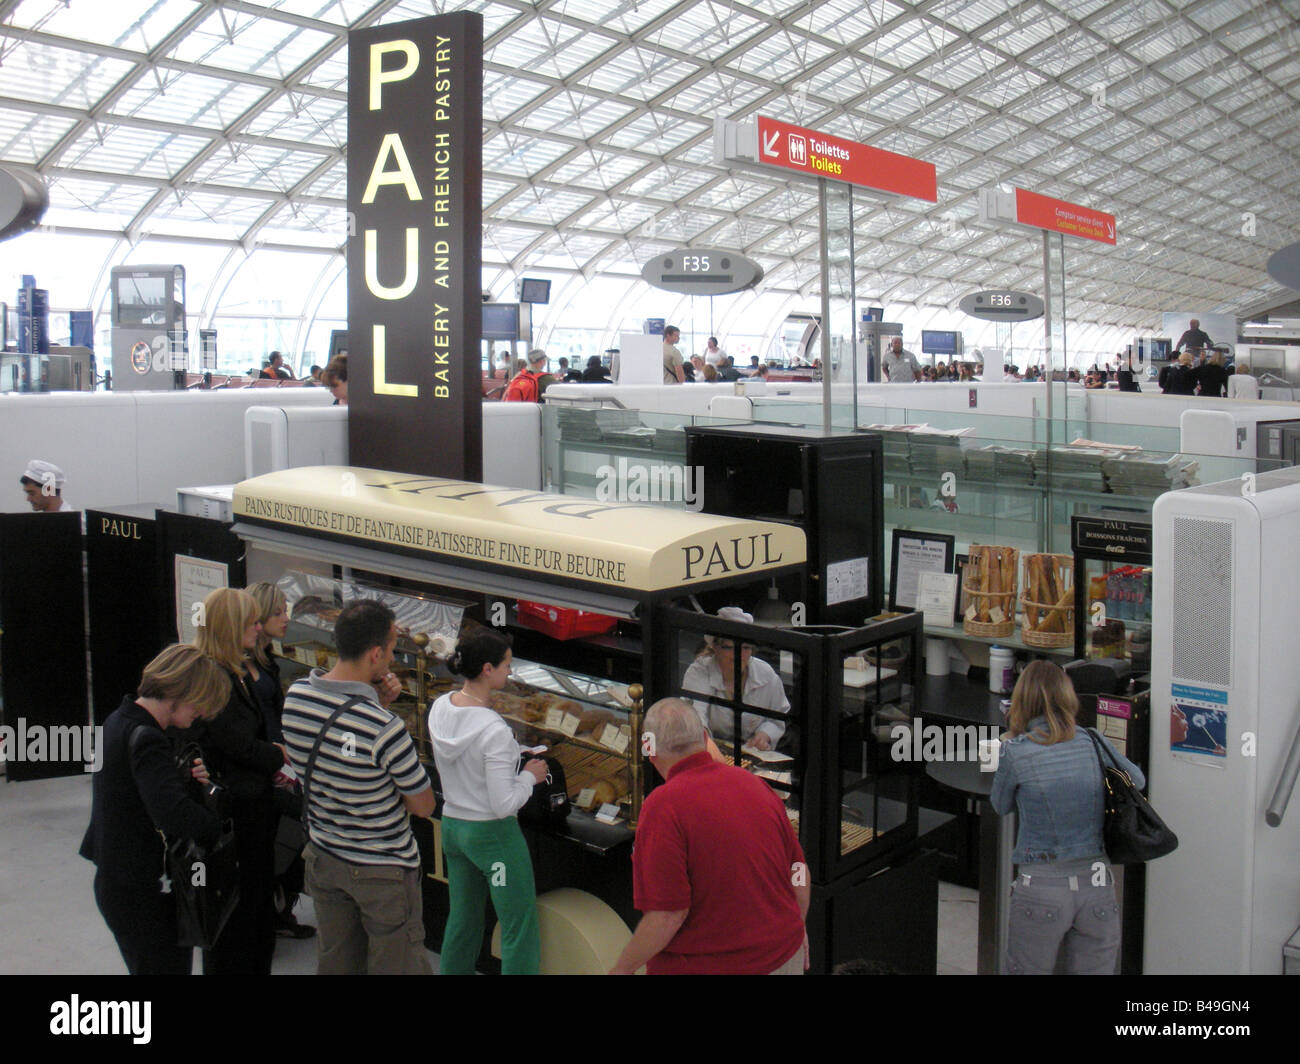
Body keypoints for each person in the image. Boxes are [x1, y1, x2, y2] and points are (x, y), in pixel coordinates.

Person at [281, 600, 435, 975]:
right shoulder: (384, 728)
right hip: (382, 871)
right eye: (391, 647)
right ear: (375, 653)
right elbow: (423, 806)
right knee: (395, 964)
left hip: (325, 856)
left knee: (337, 961)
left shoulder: (296, 697)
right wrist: (379, 711)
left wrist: (374, 701)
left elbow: (337, 741)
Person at [609, 697, 808, 975]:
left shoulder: (662, 807)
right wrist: (798, 928)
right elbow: (798, 869)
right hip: (784, 956)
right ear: (704, 738)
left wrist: (621, 969)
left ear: (649, 749)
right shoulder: (755, 785)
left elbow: (668, 915)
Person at [80, 644, 231, 975]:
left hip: (117, 880)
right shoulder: (147, 738)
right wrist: (216, 824)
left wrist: (181, 780)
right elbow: (172, 814)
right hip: (141, 889)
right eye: (200, 702)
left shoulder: (118, 720)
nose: (201, 714)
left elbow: (137, 795)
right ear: (180, 691)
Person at [990, 661, 1144, 975]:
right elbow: (1137, 781)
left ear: (1021, 702)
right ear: (1068, 699)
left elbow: (1000, 805)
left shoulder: (1016, 752)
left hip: (1041, 887)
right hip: (1097, 886)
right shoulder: (1091, 741)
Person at [428, 629, 545, 975]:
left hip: (453, 828)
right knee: (517, 926)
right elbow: (504, 803)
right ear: (487, 669)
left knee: (463, 921)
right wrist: (529, 776)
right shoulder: (493, 729)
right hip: (493, 838)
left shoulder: (439, 707)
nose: (510, 672)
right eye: (507, 665)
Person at [192, 586, 286, 975]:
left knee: (258, 906)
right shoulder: (215, 677)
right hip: (238, 812)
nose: (258, 627)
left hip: (256, 805)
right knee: (239, 912)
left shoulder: (242, 668)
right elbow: (237, 744)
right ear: (233, 627)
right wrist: (280, 756)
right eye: (251, 622)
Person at [246, 582, 316, 941]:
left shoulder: (267, 661)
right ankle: (270, 909)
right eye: (277, 612)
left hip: (280, 764)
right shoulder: (243, 667)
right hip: (268, 768)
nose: (285, 619)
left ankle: (277, 907)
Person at [681, 607, 789, 752]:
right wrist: (708, 744)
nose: (739, 655)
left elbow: (779, 716)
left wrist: (764, 734)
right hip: (711, 750)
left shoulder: (766, 674)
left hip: (752, 753)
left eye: (745, 648)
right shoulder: (699, 672)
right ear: (715, 647)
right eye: (730, 648)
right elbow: (696, 718)